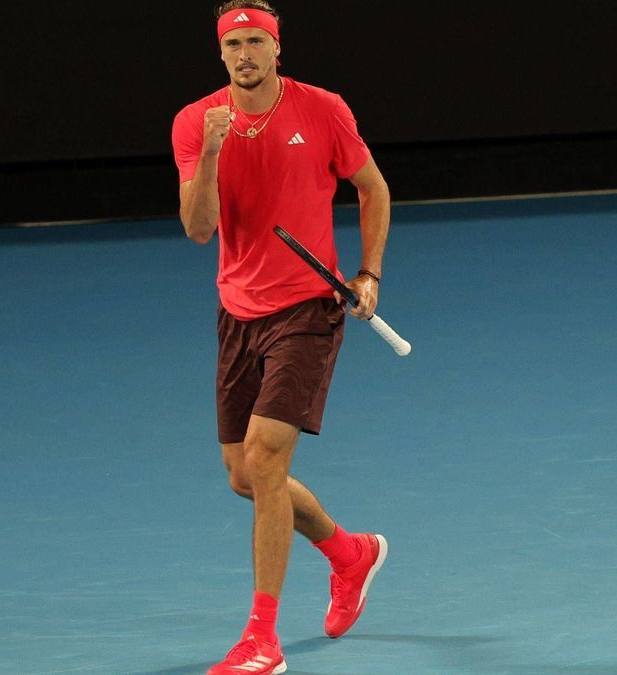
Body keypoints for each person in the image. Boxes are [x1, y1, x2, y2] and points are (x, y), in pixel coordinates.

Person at [171, 2, 393, 673]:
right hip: (238, 312)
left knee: (267, 460)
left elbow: (373, 189)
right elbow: (199, 228)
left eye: (255, 42)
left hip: (308, 307)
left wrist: (368, 271)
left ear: (276, 48)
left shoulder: (323, 110)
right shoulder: (194, 122)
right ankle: (350, 554)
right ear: (221, 53)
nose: (244, 54)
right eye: (233, 43)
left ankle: (261, 640)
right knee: (244, 474)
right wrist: (210, 153)